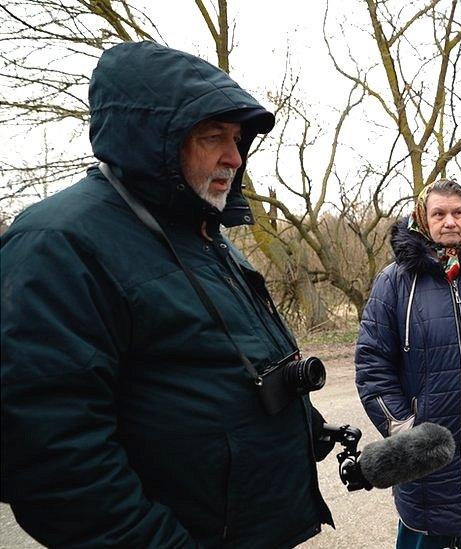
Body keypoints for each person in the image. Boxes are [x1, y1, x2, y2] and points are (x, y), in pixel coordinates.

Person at [1, 42, 332, 547]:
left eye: (238, 139)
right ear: (151, 140)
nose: (234, 157)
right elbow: (53, 457)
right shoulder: (59, 244)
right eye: (213, 136)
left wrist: (314, 431)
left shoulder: (202, 236)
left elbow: (232, 368)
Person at [355, 179, 461, 548]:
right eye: (439, 213)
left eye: (458, 213)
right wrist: (402, 425)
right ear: (423, 218)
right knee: (425, 531)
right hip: (426, 445)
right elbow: (372, 362)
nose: (449, 221)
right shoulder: (395, 281)